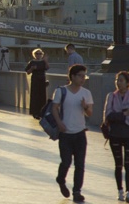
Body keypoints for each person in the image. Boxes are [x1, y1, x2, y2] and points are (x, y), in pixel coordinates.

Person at [53, 64, 93, 203]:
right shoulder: (61, 91)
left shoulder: (86, 93)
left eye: (84, 76)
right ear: (72, 76)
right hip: (65, 133)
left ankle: (77, 191)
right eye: (80, 76)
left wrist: (85, 106)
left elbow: (89, 113)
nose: (83, 78)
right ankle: (61, 179)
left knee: (80, 164)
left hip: (80, 133)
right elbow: (54, 108)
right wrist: (59, 123)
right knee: (66, 161)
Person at [104, 71, 129, 203]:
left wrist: (118, 115)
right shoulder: (111, 97)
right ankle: (119, 189)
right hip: (115, 134)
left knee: (128, 163)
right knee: (118, 164)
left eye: (121, 80)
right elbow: (108, 116)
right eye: (117, 80)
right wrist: (124, 113)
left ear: (128, 83)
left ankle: (128, 191)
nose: (118, 83)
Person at [26, 48, 49, 119]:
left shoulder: (43, 62)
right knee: (35, 96)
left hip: (42, 79)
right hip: (35, 80)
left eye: (40, 54)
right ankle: (35, 112)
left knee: (42, 96)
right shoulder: (32, 62)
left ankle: (42, 112)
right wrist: (32, 69)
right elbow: (28, 72)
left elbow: (47, 68)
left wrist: (46, 61)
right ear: (34, 54)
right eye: (37, 53)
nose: (38, 55)